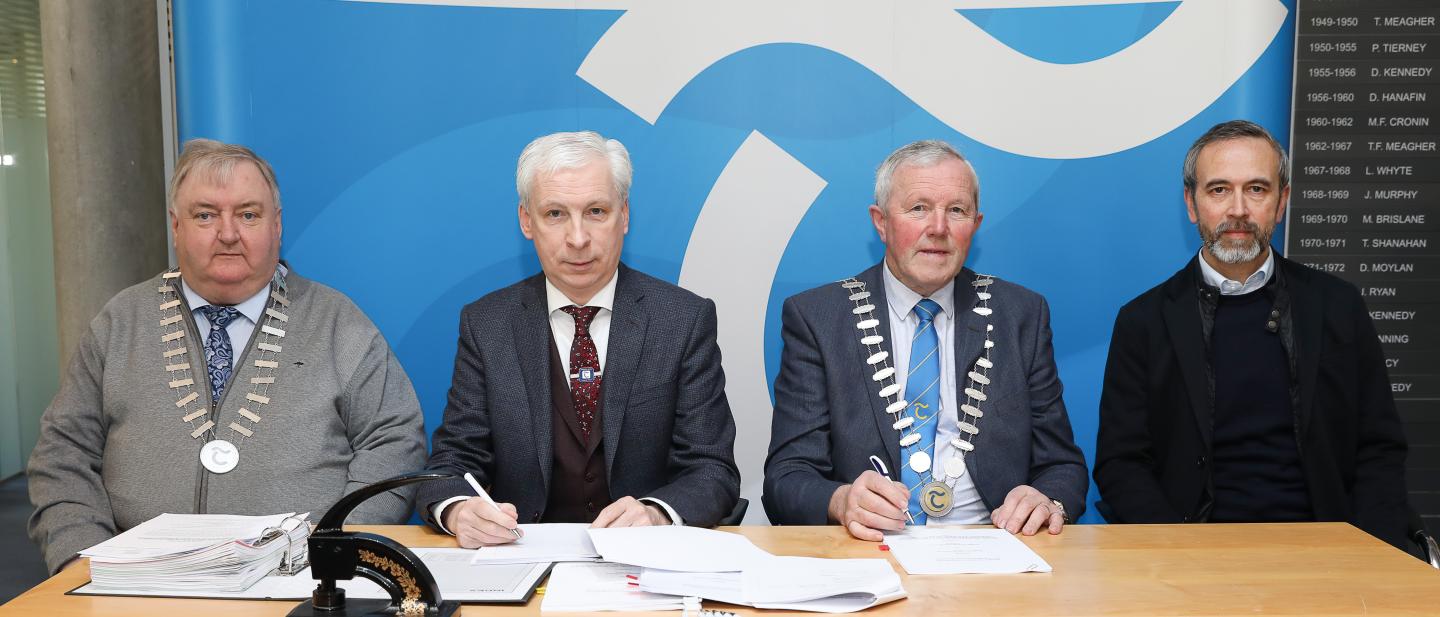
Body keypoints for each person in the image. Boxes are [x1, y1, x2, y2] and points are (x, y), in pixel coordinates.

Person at [28, 139, 427, 573]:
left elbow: (395, 440)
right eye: (205, 215)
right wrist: (82, 557)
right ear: (176, 226)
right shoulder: (120, 322)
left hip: (296, 582)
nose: (229, 233)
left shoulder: (338, 323)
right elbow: (63, 451)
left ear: (277, 225)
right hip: (134, 582)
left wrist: (336, 548)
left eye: (248, 215)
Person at [1094, 120, 1413, 552]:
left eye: (1257, 189)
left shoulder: (1338, 306)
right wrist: (1176, 552)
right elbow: (1121, 463)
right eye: (1219, 190)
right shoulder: (1143, 321)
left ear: (1282, 202)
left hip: (1325, 548)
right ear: (1191, 204)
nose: (1239, 209)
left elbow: (1379, 448)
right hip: (1190, 552)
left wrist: (1368, 554)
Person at [418, 131, 739, 547]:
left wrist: (656, 514)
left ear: (624, 215)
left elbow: (712, 469)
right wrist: (459, 510)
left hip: (645, 560)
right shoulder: (487, 324)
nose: (578, 238)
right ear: (526, 221)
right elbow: (452, 462)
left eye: (596, 211)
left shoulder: (683, 320)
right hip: (522, 554)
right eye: (555, 214)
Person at [764, 140, 1088, 541]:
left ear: (975, 225)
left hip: (992, 547)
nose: (938, 228)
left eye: (957, 210)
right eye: (919, 208)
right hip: (868, 548)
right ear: (881, 222)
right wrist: (841, 501)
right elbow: (787, 477)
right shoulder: (820, 318)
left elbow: (1062, 467)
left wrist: (1047, 499)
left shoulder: (1019, 314)